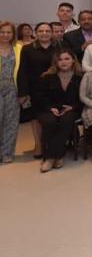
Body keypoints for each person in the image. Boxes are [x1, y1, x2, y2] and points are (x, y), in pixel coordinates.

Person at [36, 50, 82, 172]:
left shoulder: (80, 77)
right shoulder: (47, 77)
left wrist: (73, 107)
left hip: (72, 109)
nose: (63, 62)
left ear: (73, 60)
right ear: (55, 62)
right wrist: (50, 108)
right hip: (49, 109)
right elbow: (40, 97)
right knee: (49, 122)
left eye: (67, 59)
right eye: (60, 59)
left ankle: (50, 158)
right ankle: (58, 156)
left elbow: (84, 98)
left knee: (66, 120)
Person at [18, 22, 57, 158]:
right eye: (41, 31)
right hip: (34, 90)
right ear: (36, 33)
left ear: (51, 33)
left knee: (52, 117)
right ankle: (38, 145)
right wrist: (23, 92)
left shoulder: (59, 47)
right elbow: (22, 71)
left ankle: (52, 144)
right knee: (35, 118)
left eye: (47, 31)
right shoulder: (27, 49)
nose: (44, 33)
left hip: (54, 89)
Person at [0, 22, 24, 163]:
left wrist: (23, 92)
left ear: (13, 34)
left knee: (11, 122)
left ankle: (7, 153)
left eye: (8, 32)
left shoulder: (19, 48)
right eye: (2, 32)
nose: (5, 35)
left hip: (12, 88)